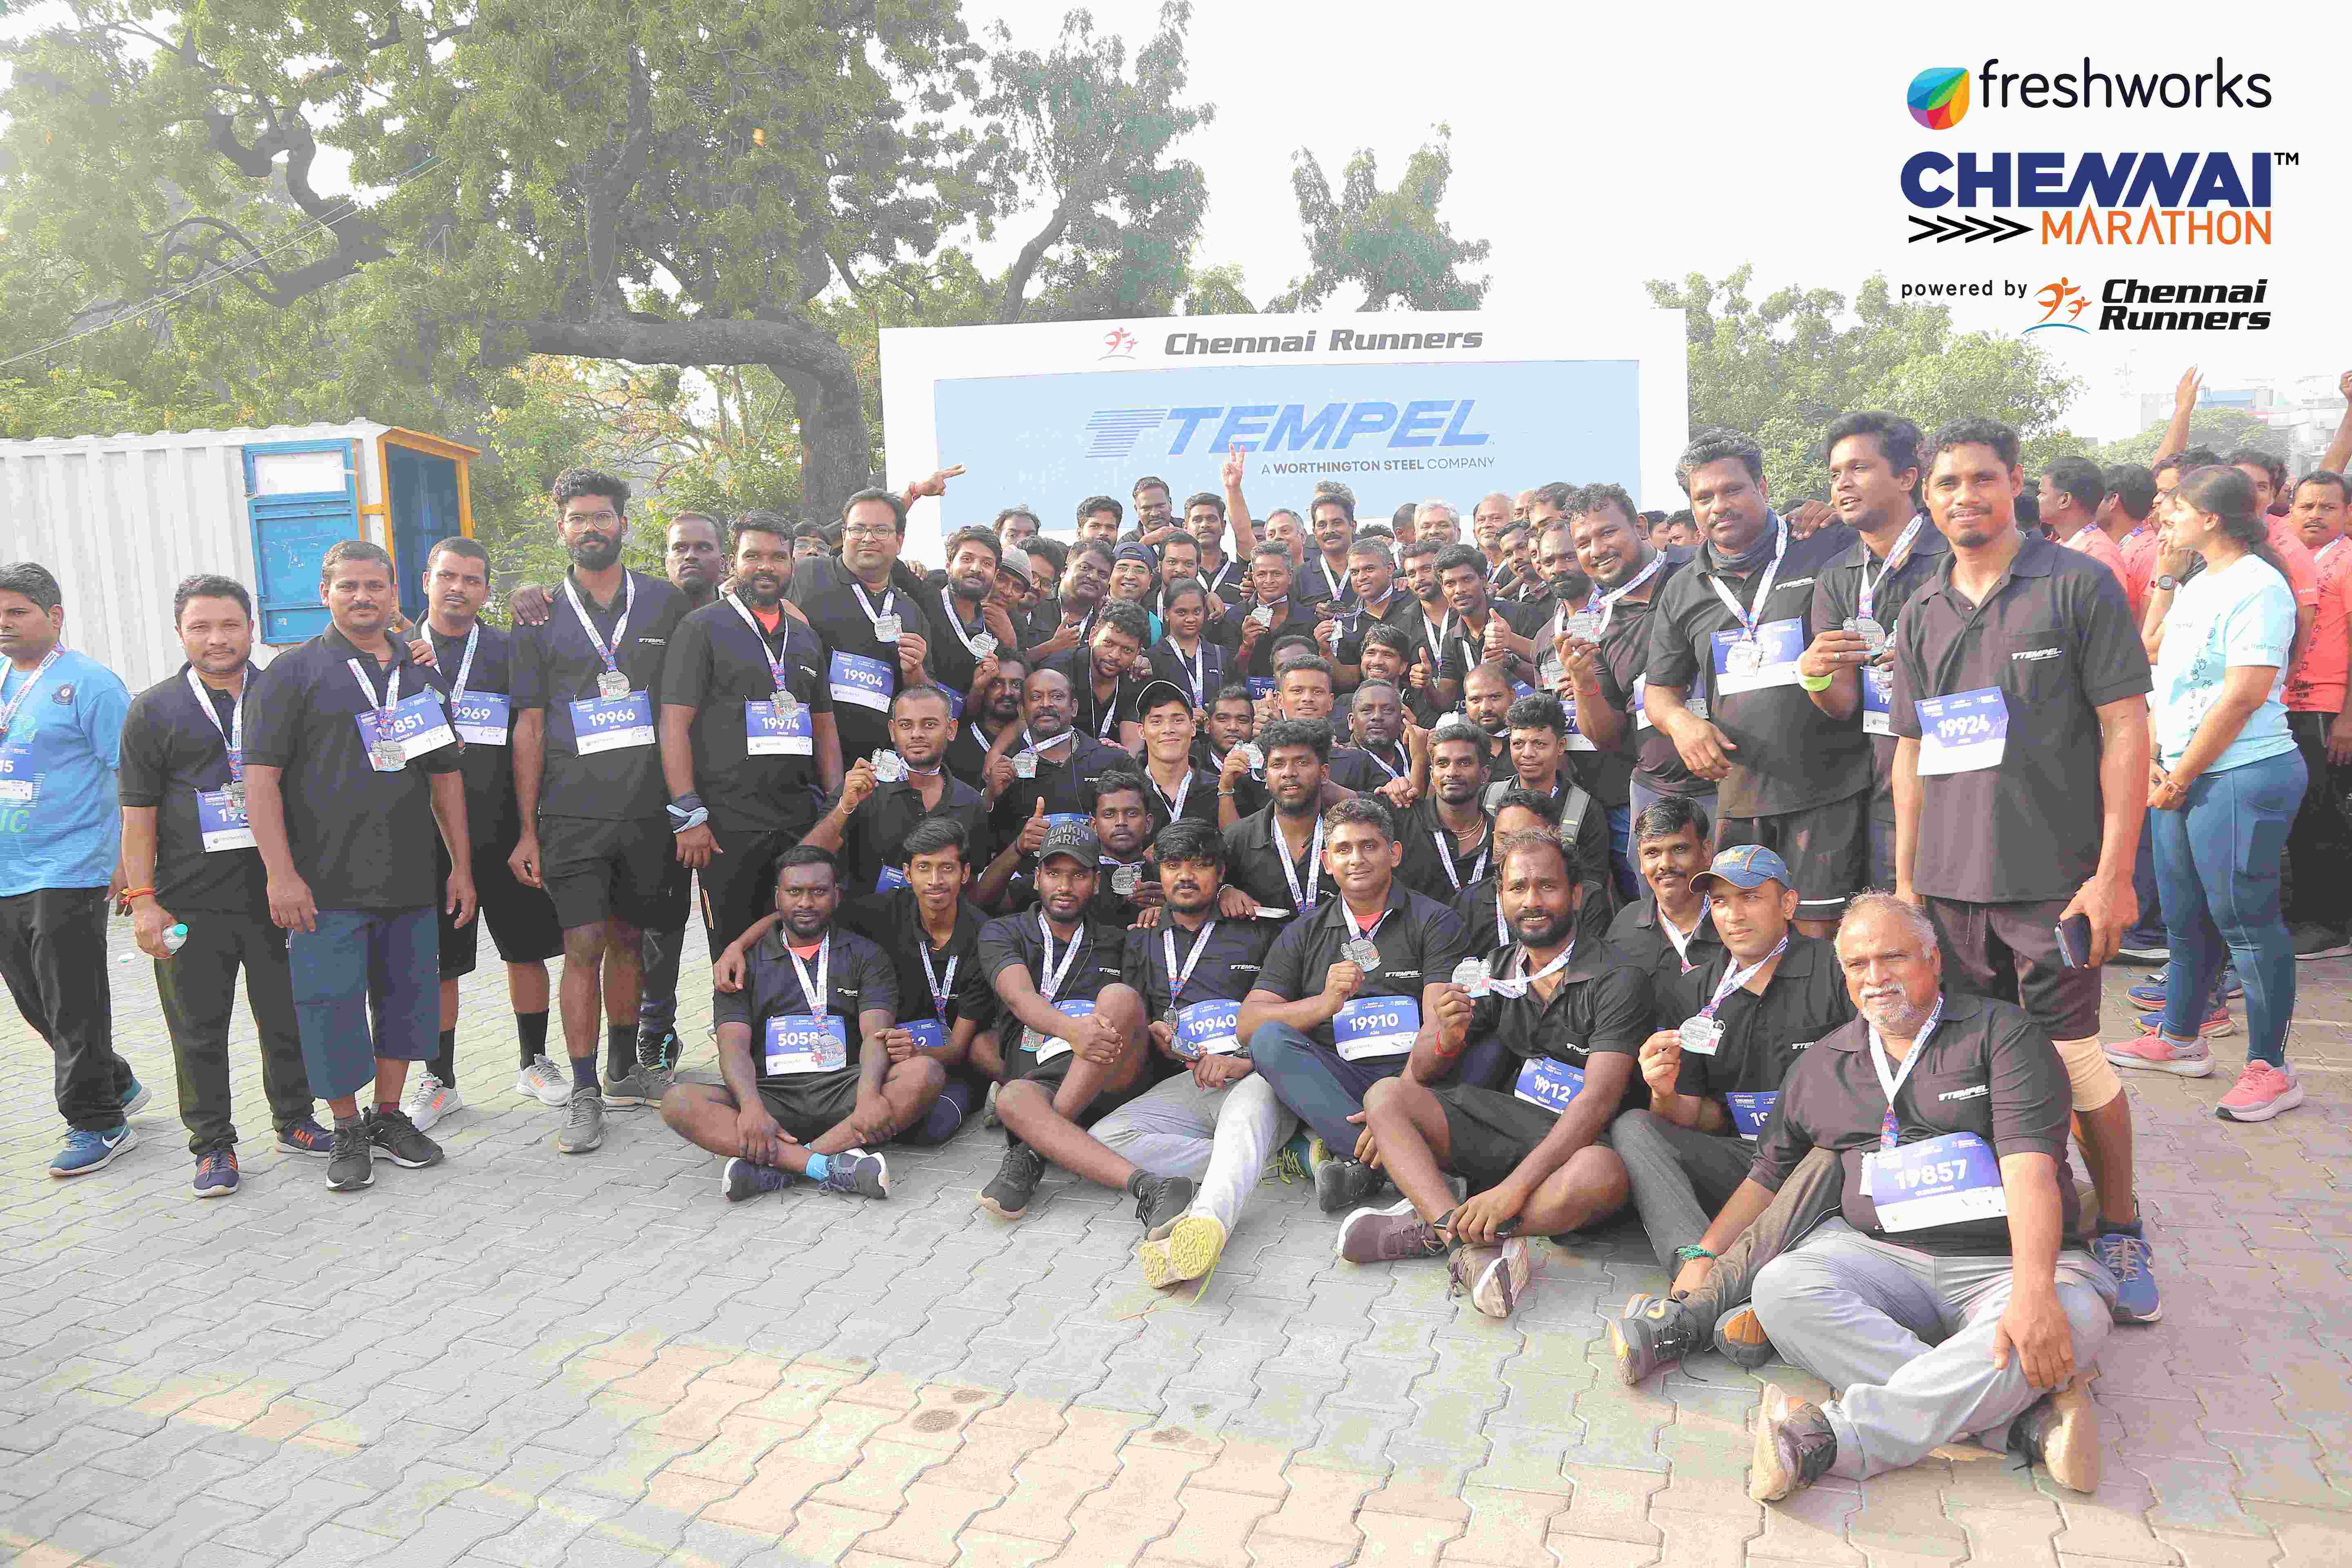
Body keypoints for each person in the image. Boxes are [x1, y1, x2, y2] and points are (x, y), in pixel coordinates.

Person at [1889, 418, 2161, 1323]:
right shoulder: (1922, 608)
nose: (1964, 496)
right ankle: (2012, 1228)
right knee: (1973, 1066)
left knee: (2070, 1058)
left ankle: (2120, 1223)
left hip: (2054, 884)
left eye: (1982, 478)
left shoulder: (2077, 584)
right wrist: (1906, 884)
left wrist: (2113, 874)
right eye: (1947, 484)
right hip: (1947, 887)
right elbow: (1910, 751)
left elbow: (2125, 727)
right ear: (1928, 498)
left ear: (2016, 483)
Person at [1728, 895, 2111, 1502]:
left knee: (2075, 1315)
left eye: (1893, 958)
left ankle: (1829, 1440)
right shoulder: (1825, 1063)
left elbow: (2031, 1172)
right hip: (1882, 1261)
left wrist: (2034, 1292)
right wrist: (1705, 1255)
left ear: (1933, 960)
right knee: (1780, 1288)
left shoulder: (2003, 1035)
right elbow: (1769, 1172)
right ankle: (2022, 1425)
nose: (1875, 978)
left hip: (2004, 1265)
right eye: (1857, 965)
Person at [244, 541, 474, 1191]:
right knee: (331, 1010)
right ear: (325, 593)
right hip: (324, 885)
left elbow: (445, 779)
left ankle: (389, 1116)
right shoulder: (291, 674)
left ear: (395, 592)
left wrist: (461, 866)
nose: (363, 597)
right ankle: (346, 1127)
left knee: (407, 1004)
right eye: (348, 586)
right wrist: (280, 874)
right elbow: (260, 781)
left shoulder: (421, 674)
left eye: (375, 586)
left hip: (410, 878)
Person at [1344, 830, 1648, 1317]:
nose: (1532, 901)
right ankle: (1460, 1240)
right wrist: (1444, 1037)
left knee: (1601, 1174)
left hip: (1581, 1143)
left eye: (1547, 886)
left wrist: (1513, 1191)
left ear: (1576, 895)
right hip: (1511, 1125)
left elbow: (1597, 1103)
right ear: (1502, 897)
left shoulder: (1618, 978)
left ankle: (1438, 1227)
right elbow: (1422, 1070)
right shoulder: (1496, 967)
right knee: (1385, 1096)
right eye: (1518, 887)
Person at [116, 575, 327, 1194]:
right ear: (180, 633)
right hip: (189, 902)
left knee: (286, 1018)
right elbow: (138, 815)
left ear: (252, 629)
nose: (217, 639)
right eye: (201, 627)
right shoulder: (153, 710)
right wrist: (144, 901)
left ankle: (295, 1119)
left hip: (277, 896)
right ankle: (212, 1145)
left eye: (230, 625)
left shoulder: (284, 693)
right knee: (197, 1030)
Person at [2108, 466, 2306, 1121]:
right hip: (2183, 773)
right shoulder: (2200, 581)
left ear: (2213, 518)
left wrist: (2182, 774)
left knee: (2247, 924)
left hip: (2239, 774)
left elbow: (2245, 695)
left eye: (2177, 508)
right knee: (2185, 918)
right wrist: (2158, 758)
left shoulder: (2260, 586)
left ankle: (2272, 1068)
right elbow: (2155, 662)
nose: (2164, 517)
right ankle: (2179, 1038)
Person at [507, 470, 690, 1151]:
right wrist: (527, 829)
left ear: (623, 524)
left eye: (603, 517)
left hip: (646, 810)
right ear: (561, 528)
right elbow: (528, 726)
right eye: (579, 518)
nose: (591, 528)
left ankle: (623, 1071)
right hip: (571, 814)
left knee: (630, 940)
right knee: (581, 945)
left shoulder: (665, 603)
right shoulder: (538, 614)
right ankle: (584, 1093)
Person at [1644, 429, 1870, 937]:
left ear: (1763, 487)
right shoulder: (1683, 588)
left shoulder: (1823, 546)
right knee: (1751, 939)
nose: (1719, 506)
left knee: (1819, 940)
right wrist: (1681, 723)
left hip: (1829, 790)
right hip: (1741, 798)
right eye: (1704, 497)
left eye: (1733, 490)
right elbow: (1660, 690)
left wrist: (1835, 513)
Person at [1613, 846, 1851, 1276]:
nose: (1734, 915)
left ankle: (1738, 1273)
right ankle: (1693, 1266)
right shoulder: (1695, 990)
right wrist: (1663, 1092)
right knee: (1634, 1127)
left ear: (1788, 904)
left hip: (1818, 1161)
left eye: (1751, 898)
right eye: (1720, 902)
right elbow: (1694, 1117)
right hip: (1743, 1159)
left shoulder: (1836, 971)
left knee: (1831, 1161)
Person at [1243, 797, 1474, 1214]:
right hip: (1340, 1082)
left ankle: (1366, 1167)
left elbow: (1438, 1025)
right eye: (1344, 849)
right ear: (1327, 862)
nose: (1357, 859)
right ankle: (1405, 1170)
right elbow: (1248, 1023)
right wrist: (1324, 1003)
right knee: (1269, 1040)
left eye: (1369, 846)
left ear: (1394, 853)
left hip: (1415, 1078)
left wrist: (1392, 1105)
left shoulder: (1436, 921)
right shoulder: (1304, 930)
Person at [410, 537, 564, 1128]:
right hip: (427, 837)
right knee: (439, 965)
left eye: (472, 580)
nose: (458, 589)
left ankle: (534, 1062)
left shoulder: (507, 649)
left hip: (503, 829)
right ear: (426, 581)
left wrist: (530, 831)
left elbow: (531, 736)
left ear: (486, 591)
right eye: (447, 576)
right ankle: (440, 1080)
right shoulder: (397, 652)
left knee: (527, 950)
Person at [657, 848, 908, 1202]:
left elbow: (875, 1035)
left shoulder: (867, 955)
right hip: (771, 1097)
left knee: (923, 1074)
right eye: (794, 892)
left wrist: (868, 1096)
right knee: (677, 1101)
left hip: (844, 1090)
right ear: (778, 898)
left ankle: (780, 1165)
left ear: (837, 896)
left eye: (819, 892)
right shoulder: (741, 965)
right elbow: (733, 1047)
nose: (806, 902)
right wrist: (751, 1108)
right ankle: (826, 1167)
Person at [0, 560, 143, 1177]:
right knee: (35, 1003)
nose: (4, 623)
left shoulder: (92, 685)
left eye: (17, 612)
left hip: (71, 866)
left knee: (73, 1002)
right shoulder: (3, 678)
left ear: (54, 616)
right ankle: (116, 1081)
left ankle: (99, 1122)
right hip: (9, 867)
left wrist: (127, 861)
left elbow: (132, 777)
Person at [661, 512, 844, 960]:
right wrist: (688, 813)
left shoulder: (805, 638)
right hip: (728, 829)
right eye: (753, 556)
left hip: (799, 823)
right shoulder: (701, 628)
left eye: (777, 557)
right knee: (734, 955)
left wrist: (837, 807)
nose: (766, 566)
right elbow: (673, 724)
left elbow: (824, 726)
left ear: (791, 565)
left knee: (801, 948)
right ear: (733, 564)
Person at [1800, 412, 1947, 889]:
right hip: (1881, 794)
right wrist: (1815, 675)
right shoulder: (1836, 575)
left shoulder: (1955, 558)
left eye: (1859, 468)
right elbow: (1843, 704)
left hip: (1958, 785)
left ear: (1907, 478)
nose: (1842, 484)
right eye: (1835, 474)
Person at [976, 822, 1149, 1218]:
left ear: (1097, 882)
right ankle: (1140, 1181)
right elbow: (1020, 998)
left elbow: (1135, 1017)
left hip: (1106, 1076)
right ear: (1037, 877)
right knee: (1013, 1098)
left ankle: (1029, 1151)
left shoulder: (1119, 939)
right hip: (1037, 1076)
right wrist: (1074, 1030)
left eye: (1079, 875)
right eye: (1054, 873)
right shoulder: (1002, 931)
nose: (1065, 886)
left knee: (1119, 997)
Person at [1573, 488, 1704, 837]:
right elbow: (1606, 738)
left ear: (1640, 526)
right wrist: (1582, 683)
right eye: (1583, 543)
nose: (1596, 550)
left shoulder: (1700, 564)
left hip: (1736, 782)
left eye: (1607, 532)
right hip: (1657, 793)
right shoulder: (1595, 621)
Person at [808, 685, 999, 902]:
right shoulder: (862, 788)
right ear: (892, 731)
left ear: (951, 730)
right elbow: (806, 861)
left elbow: (971, 886)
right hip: (867, 921)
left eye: (929, 724)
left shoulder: (971, 803)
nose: (917, 734)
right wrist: (845, 807)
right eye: (906, 725)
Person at [2280, 470, 2352, 958]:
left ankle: (2329, 926)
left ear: (2346, 513)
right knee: (2302, 816)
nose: (2315, 515)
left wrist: (2348, 717)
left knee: (2323, 817)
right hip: (2291, 704)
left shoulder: (2346, 561)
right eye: (2306, 506)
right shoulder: (2294, 558)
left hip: (2328, 706)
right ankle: (2305, 913)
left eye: (2327, 507)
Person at [1606, 796, 1726, 996]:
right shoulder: (1624, 926)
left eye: (1679, 849)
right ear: (1640, 860)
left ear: (1706, 852)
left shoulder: (1736, 923)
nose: (1666, 864)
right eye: (1652, 853)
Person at [919, 526, 1020, 726]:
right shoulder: (921, 601)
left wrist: (979, 688)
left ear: (995, 574)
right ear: (949, 565)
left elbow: (979, 712)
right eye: (967, 559)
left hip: (961, 731)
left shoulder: (997, 630)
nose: (976, 568)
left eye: (986, 563)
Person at [1047, 599, 1150, 750]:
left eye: (1127, 650)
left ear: (1138, 652)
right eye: (1108, 643)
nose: (1115, 655)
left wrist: (1123, 756)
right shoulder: (1059, 671)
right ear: (1093, 636)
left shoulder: (1135, 678)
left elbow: (1132, 744)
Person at [1022, 539, 1112, 668]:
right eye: (1085, 568)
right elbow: (1009, 659)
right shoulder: (1034, 598)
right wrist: (1051, 647)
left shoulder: (1107, 621)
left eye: (1103, 574)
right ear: (1064, 571)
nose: (1093, 577)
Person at [1145, 577, 1227, 715]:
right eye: (1182, 612)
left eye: (1197, 612)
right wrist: (1184, 713)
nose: (1190, 619)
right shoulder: (1152, 658)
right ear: (1167, 613)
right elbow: (1148, 708)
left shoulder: (1221, 655)